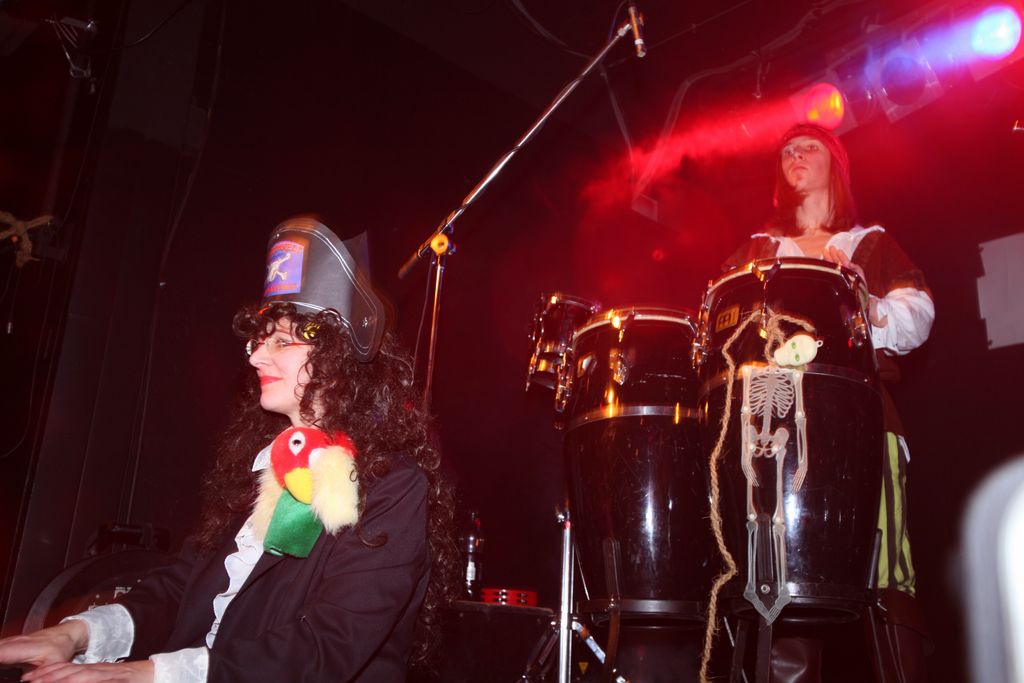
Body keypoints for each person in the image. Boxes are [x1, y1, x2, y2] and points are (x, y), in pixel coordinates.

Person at [0, 216, 457, 682]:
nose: (256, 355)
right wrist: (75, 634)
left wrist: (149, 674)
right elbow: (182, 588)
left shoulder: (392, 486)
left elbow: (331, 643)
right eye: (259, 340)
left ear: (339, 355)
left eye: (281, 341)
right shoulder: (262, 466)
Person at [722, 123, 934, 682]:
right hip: (773, 430)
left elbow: (919, 318)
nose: (795, 155)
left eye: (808, 147)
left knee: (886, 570)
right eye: (786, 150)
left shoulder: (870, 243)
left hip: (864, 423)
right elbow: (718, 323)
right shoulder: (758, 251)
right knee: (780, 569)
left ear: (835, 163)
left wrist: (869, 305)